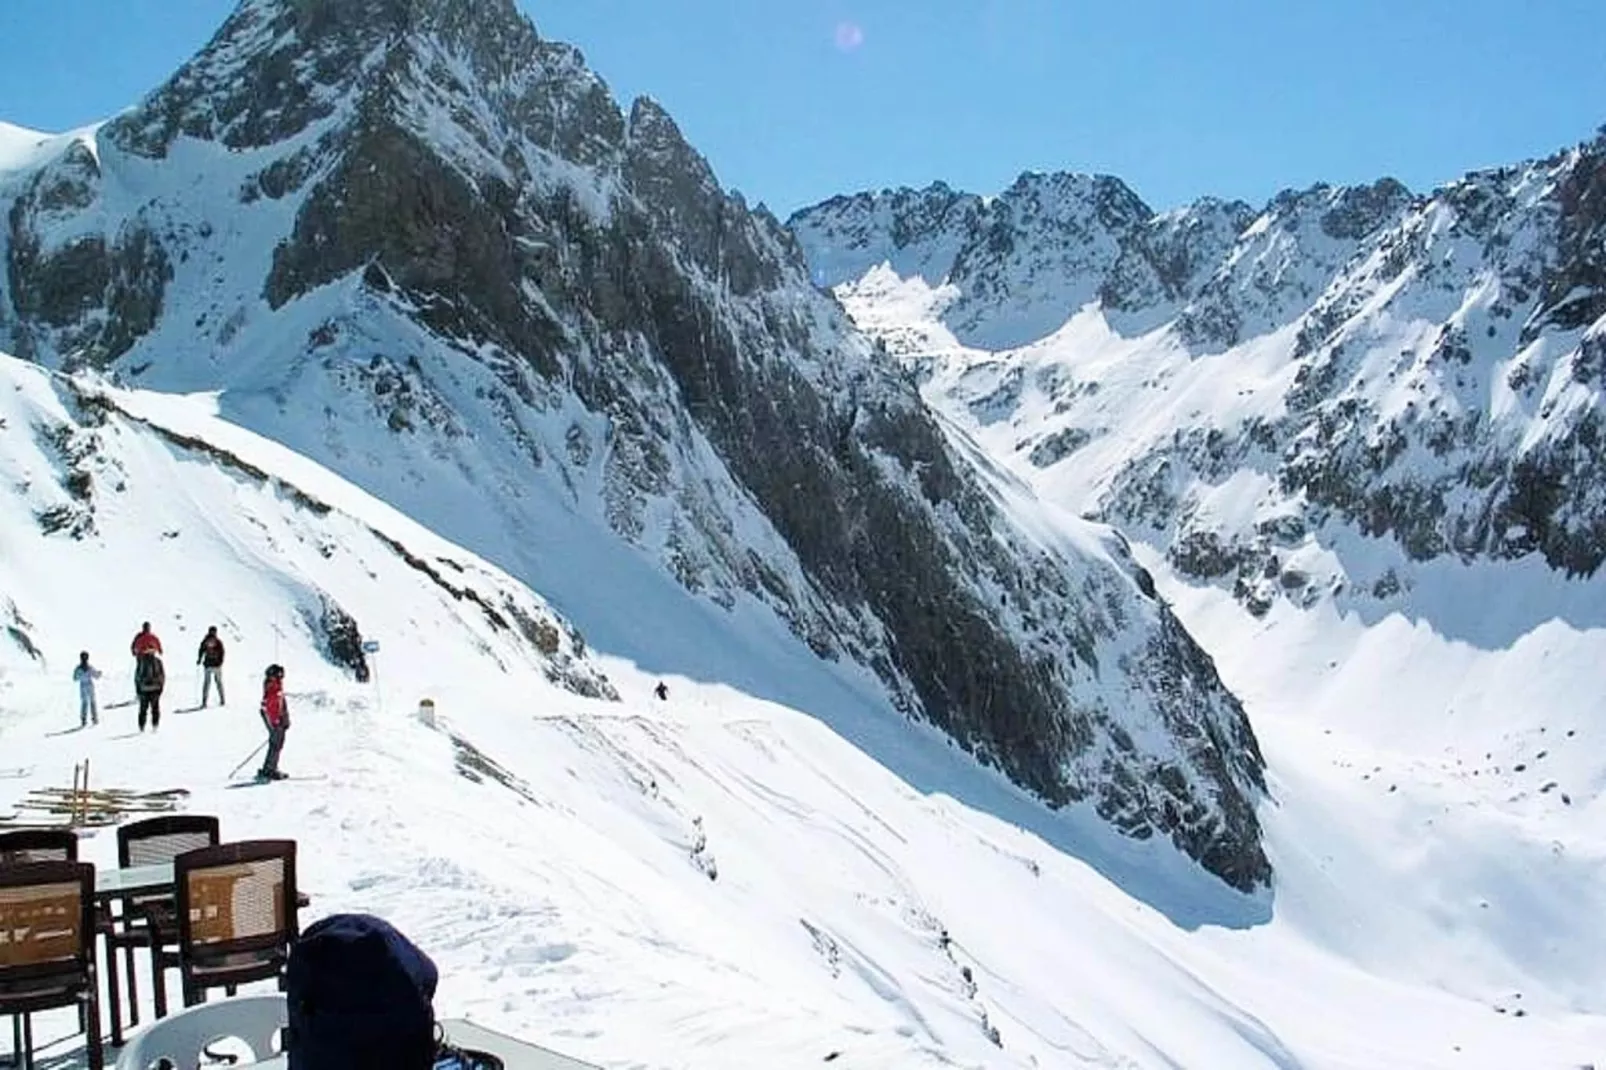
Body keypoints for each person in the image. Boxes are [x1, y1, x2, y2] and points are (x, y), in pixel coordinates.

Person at [258, 663, 290, 781]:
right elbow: (272, 706)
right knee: (276, 742)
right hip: (273, 718)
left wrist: (285, 718)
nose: (281, 678)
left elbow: (282, 704)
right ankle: (270, 769)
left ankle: (269, 766)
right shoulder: (273, 686)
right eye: (279, 675)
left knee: (277, 742)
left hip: (276, 717)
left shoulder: (276, 685)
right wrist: (276, 722)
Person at [134, 647, 165, 731]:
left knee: (143, 709)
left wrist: (138, 689)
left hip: (144, 689)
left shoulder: (141, 662)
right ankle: (155, 725)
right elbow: (162, 676)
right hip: (155, 688)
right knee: (155, 708)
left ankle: (142, 726)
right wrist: (161, 687)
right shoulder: (158, 662)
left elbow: (137, 677)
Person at [197, 625, 226, 707]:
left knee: (207, 683)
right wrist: (220, 662)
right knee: (219, 683)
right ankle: (222, 700)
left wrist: (199, 659)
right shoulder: (218, 642)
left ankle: (204, 702)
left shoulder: (205, 641)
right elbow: (222, 652)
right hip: (217, 665)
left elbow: (201, 650)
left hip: (208, 665)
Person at [72, 651, 101, 728]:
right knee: (90, 702)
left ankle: (86, 719)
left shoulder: (80, 668)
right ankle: (92, 718)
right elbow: (96, 676)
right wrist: (98, 674)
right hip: (87, 685)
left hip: (85, 685)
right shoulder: (88, 668)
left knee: (87, 703)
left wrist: (80, 676)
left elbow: (75, 678)